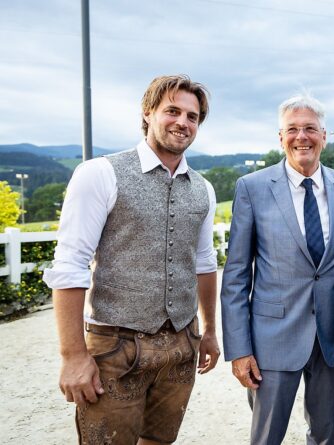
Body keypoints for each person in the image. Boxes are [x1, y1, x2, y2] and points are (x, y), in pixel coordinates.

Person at [44, 74, 220, 444]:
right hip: (115, 347)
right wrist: (73, 355)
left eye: (192, 116)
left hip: (181, 343)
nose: (183, 122)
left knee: (159, 440)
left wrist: (209, 332)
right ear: (148, 113)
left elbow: (204, 263)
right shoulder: (100, 174)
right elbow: (70, 267)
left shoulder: (204, 189)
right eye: (172, 111)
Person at [220, 94, 334, 445]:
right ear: (280, 137)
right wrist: (239, 349)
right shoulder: (252, 188)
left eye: (310, 129)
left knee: (325, 435)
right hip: (273, 340)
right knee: (267, 436)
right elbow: (236, 275)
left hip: (332, 340)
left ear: (324, 136)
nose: (302, 136)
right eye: (293, 129)